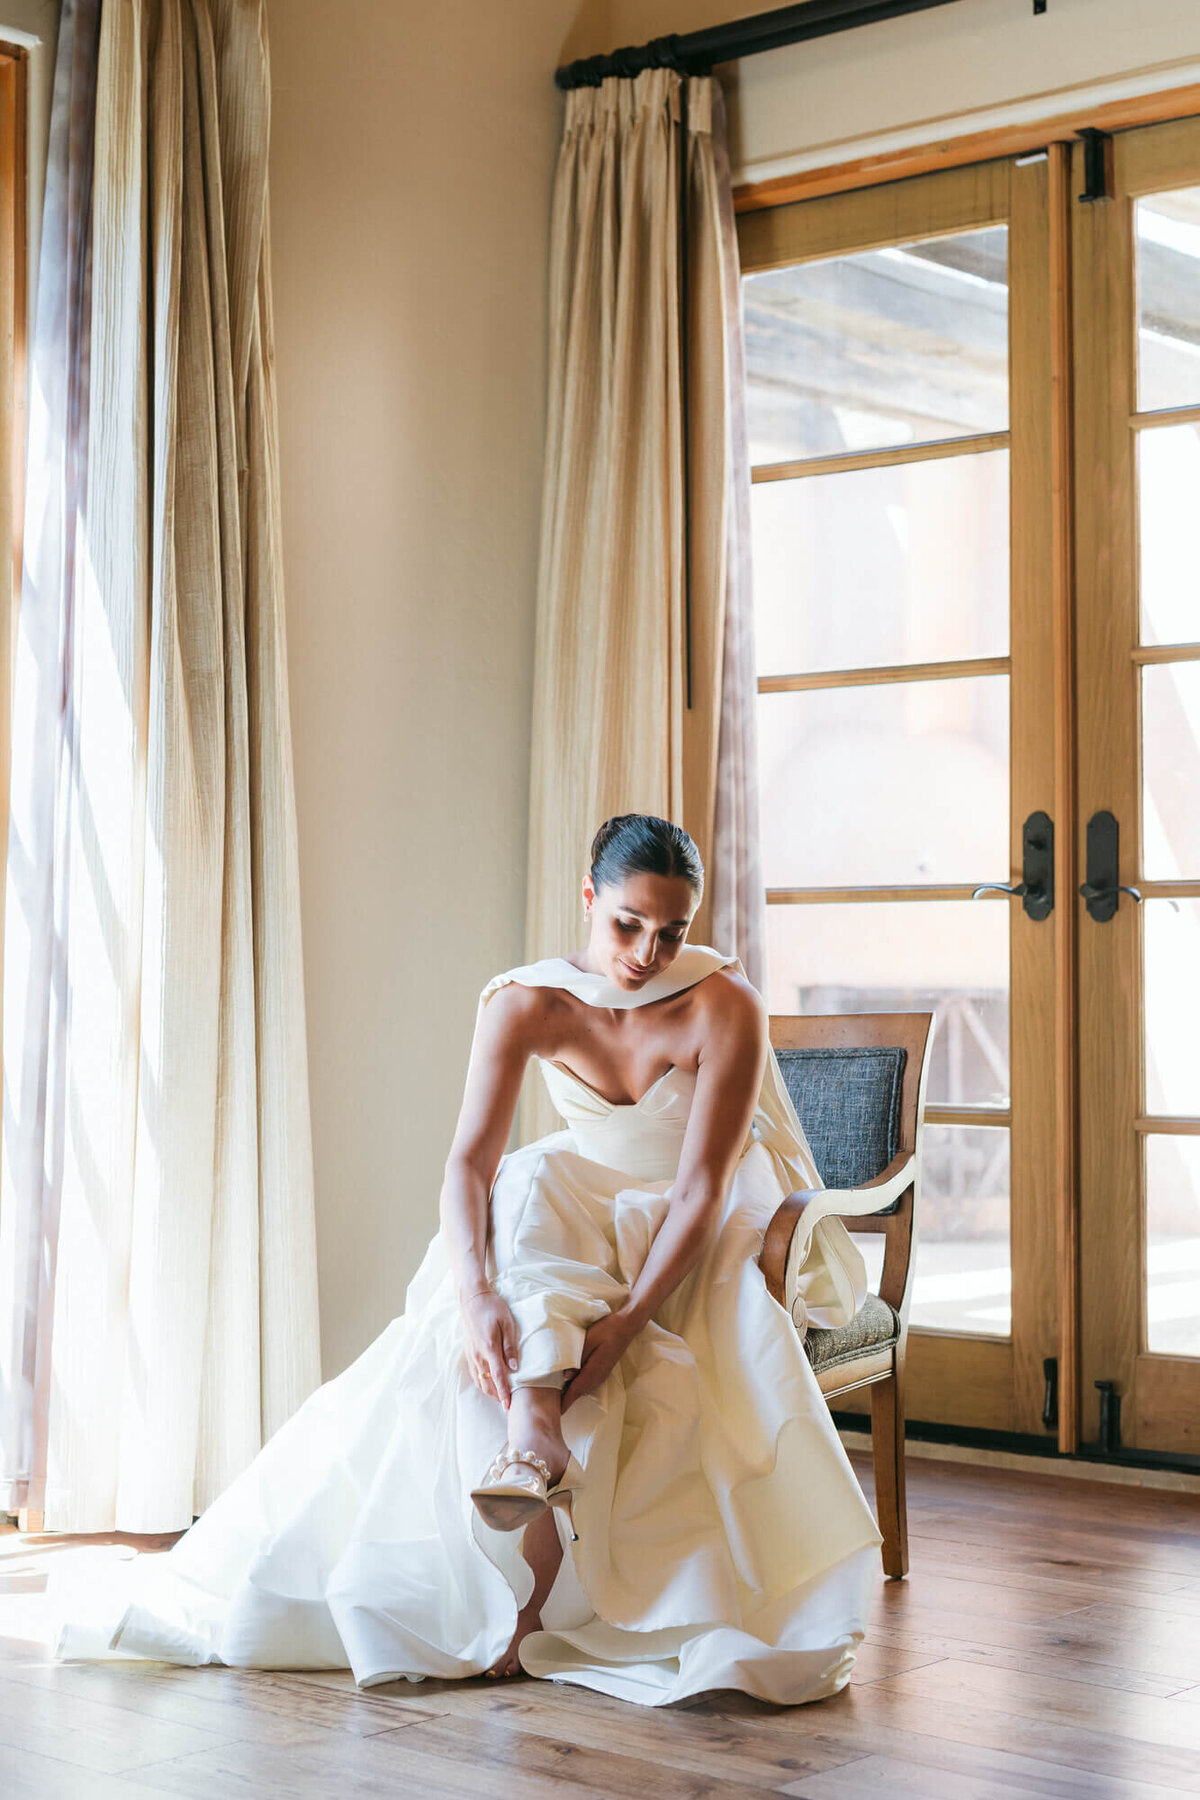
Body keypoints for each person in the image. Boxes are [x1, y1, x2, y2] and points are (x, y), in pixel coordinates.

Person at [47, 813, 882, 1706]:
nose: (646, 952)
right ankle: (531, 1442)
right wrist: (476, 1291)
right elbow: (467, 1166)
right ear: (589, 897)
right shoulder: (526, 1001)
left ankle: (535, 1567)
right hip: (597, 1191)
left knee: (587, 1280)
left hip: (709, 1210)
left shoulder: (725, 1005)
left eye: (672, 932)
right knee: (522, 1186)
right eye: (627, 924)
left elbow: (701, 1190)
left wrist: (630, 1321)